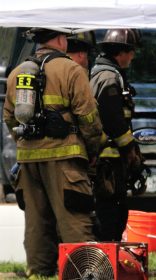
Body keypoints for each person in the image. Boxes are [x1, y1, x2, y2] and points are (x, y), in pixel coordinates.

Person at [3, 27, 103, 278]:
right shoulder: (72, 70)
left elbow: (8, 117)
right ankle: (83, 273)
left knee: (37, 222)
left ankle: (38, 273)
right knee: (74, 219)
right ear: (60, 39)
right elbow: (89, 116)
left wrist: (24, 142)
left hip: (29, 160)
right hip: (65, 159)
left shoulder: (17, 73)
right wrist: (92, 149)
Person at [90, 29, 143, 241]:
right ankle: (107, 256)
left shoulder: (99, 73)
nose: (132, 56)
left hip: (106, 158)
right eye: (131, 52)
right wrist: (131, 150)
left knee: (109, 210)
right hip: (109, 159)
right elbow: (113, 120)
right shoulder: (110, 78)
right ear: (120, 52)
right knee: (112, 212)